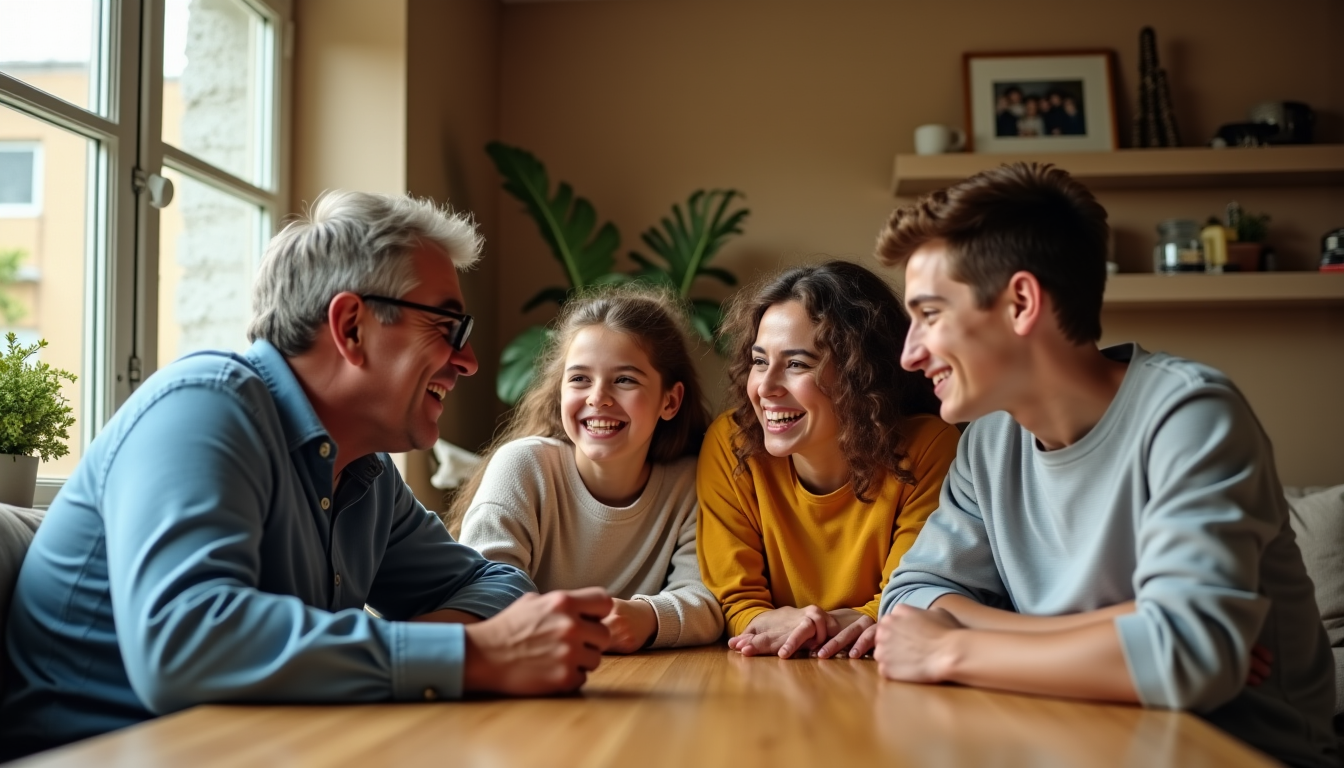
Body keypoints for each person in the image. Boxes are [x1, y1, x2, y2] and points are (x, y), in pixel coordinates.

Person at [1, 191, 613, 759]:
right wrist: (467, 653)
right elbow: (182, 645)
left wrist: (455, 644)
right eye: (447, 327)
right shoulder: (204, 406)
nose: (470, 361)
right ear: (351, 327)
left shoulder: (364, 474)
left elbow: (498, 584)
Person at [872, 163, 1337, 768]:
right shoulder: (986, 445)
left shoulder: (1189, 414)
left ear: (1020, 303)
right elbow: (908, 601)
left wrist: (947, 653)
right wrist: (1128, 627)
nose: (909, 354)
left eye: (929, 314)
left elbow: (1188, 660)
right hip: (1069, 736)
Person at [696, 261, 959, 661]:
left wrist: (817, 625)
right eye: (759, 360)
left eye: (797, 364)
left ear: (860, 374)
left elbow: (912, 594)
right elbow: (736, 601)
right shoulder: (731, 445)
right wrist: (793, 627)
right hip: (764, 669)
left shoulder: (927, 447)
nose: (765, 387)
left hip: (884, 672)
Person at [455, 288, 723, 652]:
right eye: (580, 379)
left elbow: (707, 601)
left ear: (670, 401)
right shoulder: (523, 467)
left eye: (625, 380)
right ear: (560, 390)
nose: (598, 397)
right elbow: (482, 592)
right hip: (526, 673)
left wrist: (647, 617)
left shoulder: (691, 483)